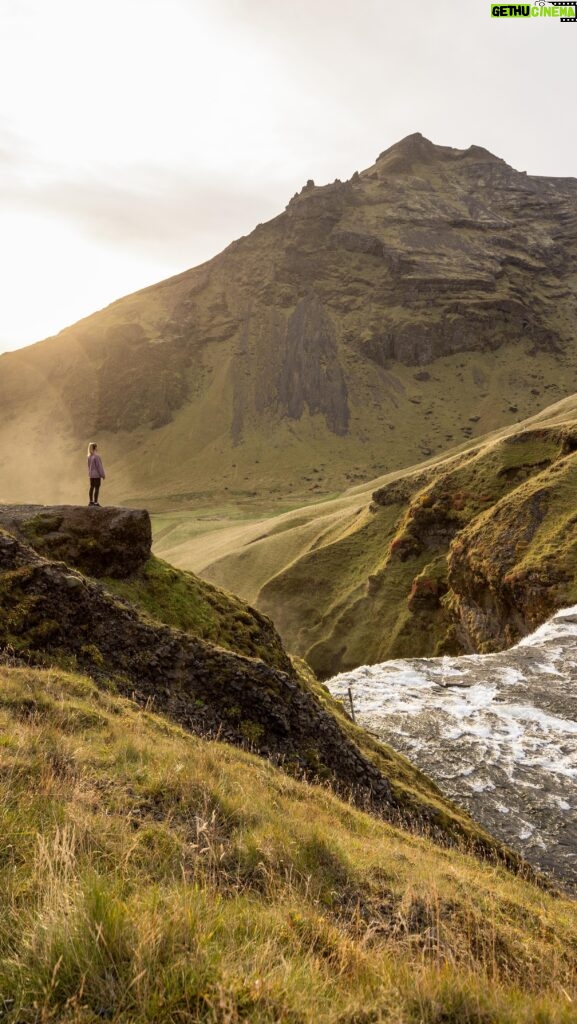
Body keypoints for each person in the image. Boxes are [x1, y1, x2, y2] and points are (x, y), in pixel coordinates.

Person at [87, 442, 105, 506]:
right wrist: (102, 475)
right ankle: (96, 502)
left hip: (91, 475)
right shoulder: (97, 456)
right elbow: (99, 466)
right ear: (95, 448)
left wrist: (90, 474)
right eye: (96, 447)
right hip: (96, 475)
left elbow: (89, 466)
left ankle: (91, 502)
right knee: (97, 487)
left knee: (91, 487)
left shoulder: (89, 456)